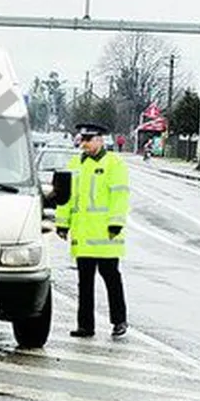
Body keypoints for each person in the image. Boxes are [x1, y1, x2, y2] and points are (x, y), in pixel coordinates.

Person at [56, 123, 129, 338]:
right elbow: (66, 198)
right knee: (84, 283)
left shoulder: (114, 164)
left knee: (111, 278)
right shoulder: (75, 164)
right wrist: (63, 223)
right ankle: (85, 326)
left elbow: (120, 196)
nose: (84, 144)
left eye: (88, 140)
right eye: (82, 140)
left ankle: (119, 321)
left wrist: (116, 222)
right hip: (83, 235)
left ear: (100, 140)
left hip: (106, 236)